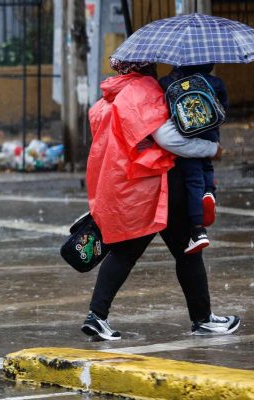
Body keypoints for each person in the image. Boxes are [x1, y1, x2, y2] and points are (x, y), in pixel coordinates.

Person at [81, 58, 240, 341]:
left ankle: (97, 316)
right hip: (153, 185)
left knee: (127, 252)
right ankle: (202, 319)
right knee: (187, 251)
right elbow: (168, 139)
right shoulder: (143, 90)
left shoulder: (111, 95)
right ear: (145, 66)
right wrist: (210, 148)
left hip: (126, 184)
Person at [159, 64, 229, 254]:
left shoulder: (167, 82)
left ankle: (198, 229)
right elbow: (224, 110)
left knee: (192, 180)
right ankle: (210, 193)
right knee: (207, 169)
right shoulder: (215, 82)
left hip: (186, 136)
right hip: (210, 135)